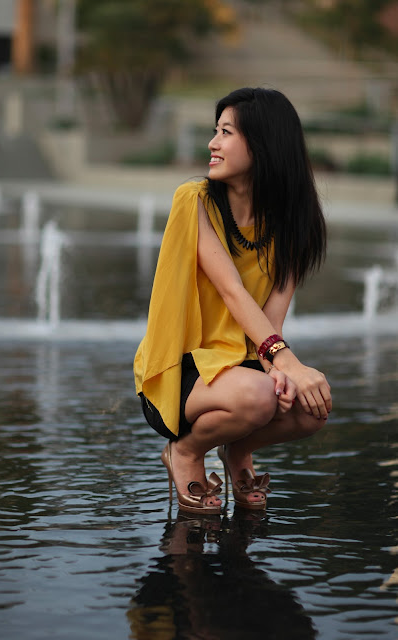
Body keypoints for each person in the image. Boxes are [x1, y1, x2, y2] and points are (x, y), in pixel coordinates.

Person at [134, 87, 332, 514]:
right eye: (215, 131)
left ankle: (238, 449)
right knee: (263, 395)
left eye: (225, 133)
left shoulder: (295, 223)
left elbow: (271, 320)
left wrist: (279, 372)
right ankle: (185, 451)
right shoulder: (195, 201)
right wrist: (289, 364)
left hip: (243, 366)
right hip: (181, 370)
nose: (213, 143)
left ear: (262, 144)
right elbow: (232, 291)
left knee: (312, 409)